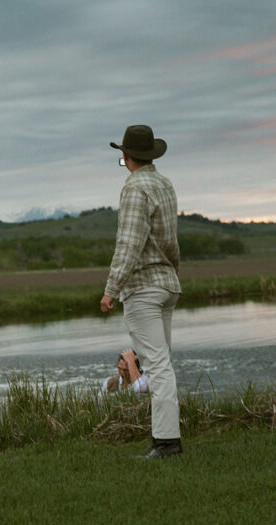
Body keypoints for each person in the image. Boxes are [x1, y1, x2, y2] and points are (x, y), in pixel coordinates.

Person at [100, 125, 183, 459]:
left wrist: (111, 289)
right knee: (162, 364)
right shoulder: (164, 184)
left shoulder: (134, 188)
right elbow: (170, 241)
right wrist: (171, 270)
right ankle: (165, 439)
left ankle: (166, 443)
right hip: (167, 283)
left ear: (126, 156)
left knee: (158, 367)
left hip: (144, 288)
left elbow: (129, 244)